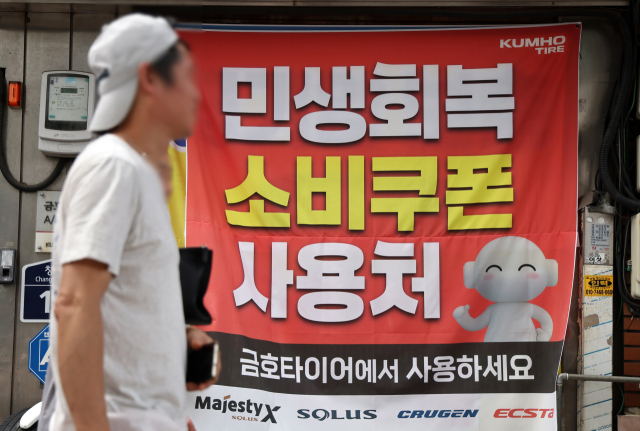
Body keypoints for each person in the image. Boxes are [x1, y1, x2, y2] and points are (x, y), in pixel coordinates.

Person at [48, 14, 218, 431]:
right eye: (187, 77)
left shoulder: (134, 172)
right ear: (150, 79)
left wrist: (175, 345)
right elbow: (75, 304)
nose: (197, 94)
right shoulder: (114, 167)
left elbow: (117, 308)